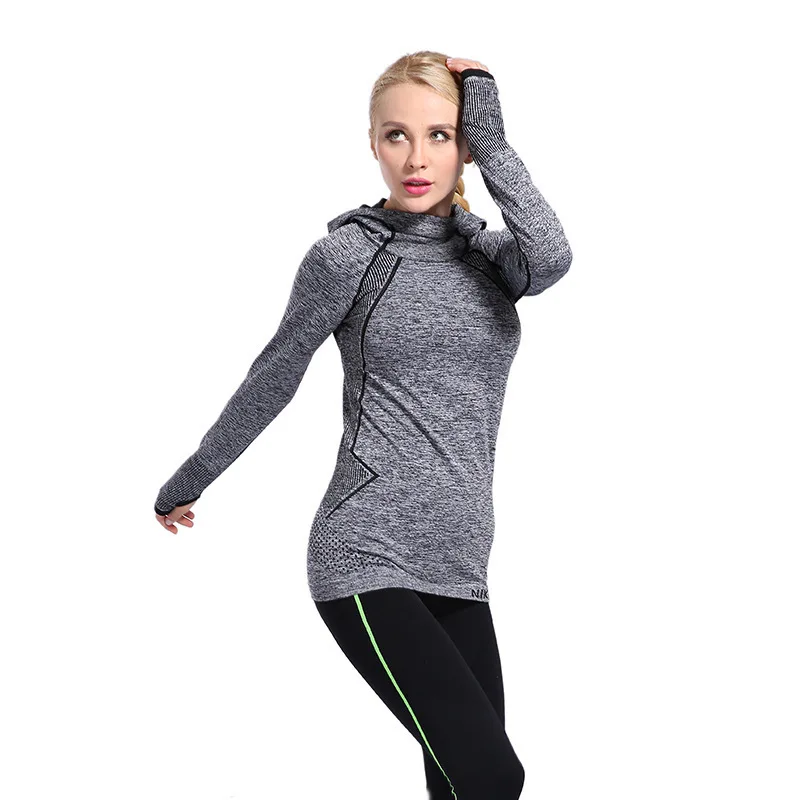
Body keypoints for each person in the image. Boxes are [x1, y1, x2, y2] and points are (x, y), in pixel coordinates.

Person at [153, 50, 572, 800]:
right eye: (396, 135)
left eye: (441, 135)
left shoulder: (492, 257)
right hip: (365, 553)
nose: (416, 159)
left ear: (467, 143)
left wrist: (492, 131)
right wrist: (191, 479)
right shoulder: (347, 256)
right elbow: (274, 375)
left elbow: (553, 255)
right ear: (372, 142)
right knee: (491, 776)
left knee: (463, 786)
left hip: (461, 564)